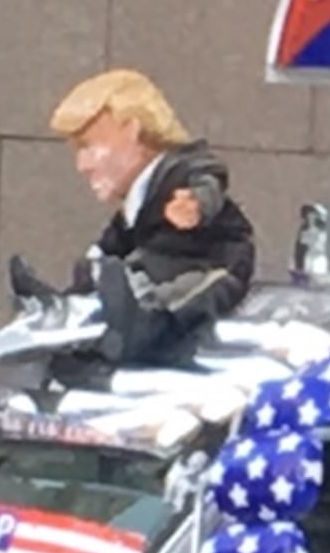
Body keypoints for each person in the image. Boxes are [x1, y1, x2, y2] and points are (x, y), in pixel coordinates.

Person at [49, 67, 257, 360]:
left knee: (184, 294)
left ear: (131, 130)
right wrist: (81, 282)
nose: (82, 165)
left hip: (210, 265)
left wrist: (196, 204)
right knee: (117, 272)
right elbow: (112, 245)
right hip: (159, 267)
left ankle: (139, 322)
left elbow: (209, 176)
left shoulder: (177, 171)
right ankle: (62, 310)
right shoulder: (135, 206)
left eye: (89, 146)